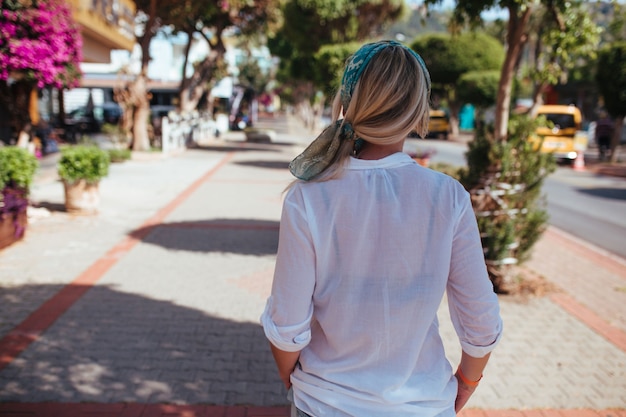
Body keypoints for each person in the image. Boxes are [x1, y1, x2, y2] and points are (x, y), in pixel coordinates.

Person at [260, 40, 503, 417]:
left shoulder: (308, 198)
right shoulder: (448, 198)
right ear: (418, 108)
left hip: (325, 405)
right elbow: (481, 320)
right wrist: (466, 384)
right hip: (425, 406)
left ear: (348, 100)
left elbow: (287, 325)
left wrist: (293, 380)